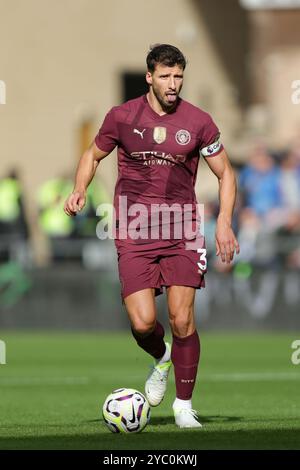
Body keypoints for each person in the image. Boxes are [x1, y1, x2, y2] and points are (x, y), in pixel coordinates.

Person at [64, 44, 239, 428]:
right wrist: (79, 189)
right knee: (143, 323)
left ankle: (183, 405)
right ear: (149, 77)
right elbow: (92, 156)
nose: (173, 83)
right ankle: (161, 359)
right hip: (134, 227)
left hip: (182, 227)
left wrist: (224, 220)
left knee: (182, 319)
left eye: (178, 76)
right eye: (165, 76)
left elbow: (226, 173)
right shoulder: (122, 117)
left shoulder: (199, 121)